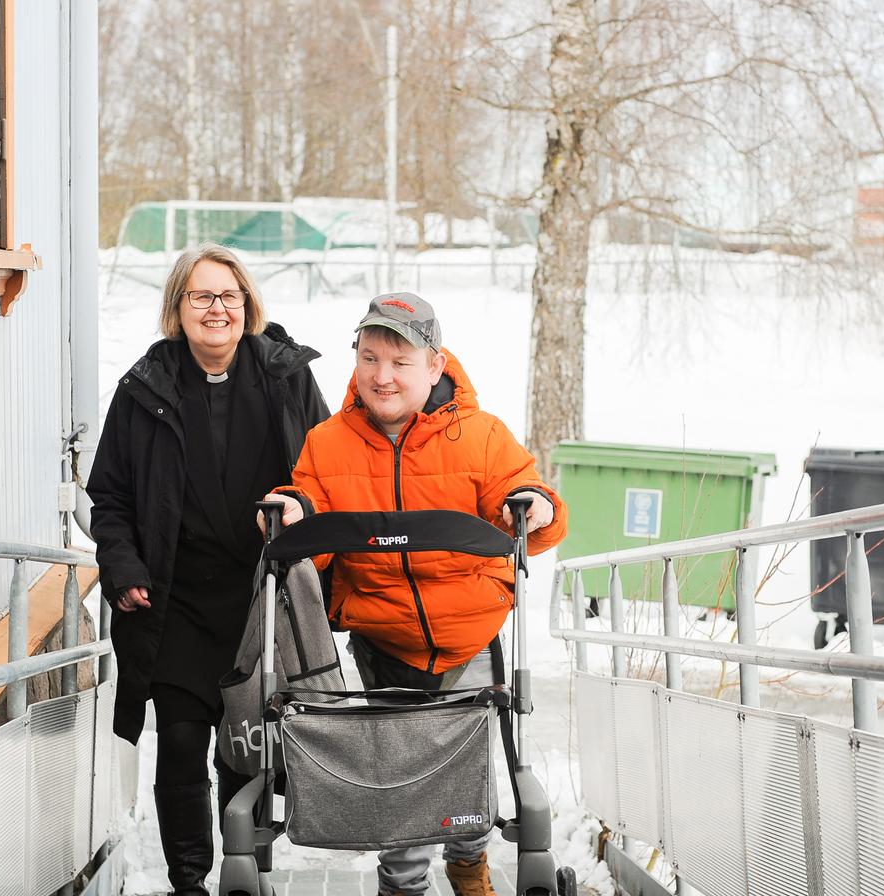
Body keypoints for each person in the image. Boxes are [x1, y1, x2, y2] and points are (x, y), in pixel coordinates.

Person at [260, 292, 568, 896]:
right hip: (384, 639)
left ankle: (469, 860)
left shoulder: (480, 436)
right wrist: (292, 512)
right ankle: (402, 883)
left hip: (469, 633)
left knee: (467, 758)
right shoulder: (327, 443)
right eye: (370, 358)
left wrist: (536, 506)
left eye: (400, 362)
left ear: (435, 365)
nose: (383, 376)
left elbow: (533, 499)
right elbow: (312, 527)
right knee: (400, 773)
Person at [86, 242, 330, 896]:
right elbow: (108, 495)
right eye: (202, 296)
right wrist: (122, 562)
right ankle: (190, 884)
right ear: (178, 307)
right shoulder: (144, 387)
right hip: (174, 603)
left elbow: (325, 472)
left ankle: (245, 875)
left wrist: (300, 503)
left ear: (247, 305)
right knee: (183, 749)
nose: (217, 308)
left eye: (229, 296)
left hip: (262, 603)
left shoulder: (284, 376)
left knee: (248, 751)